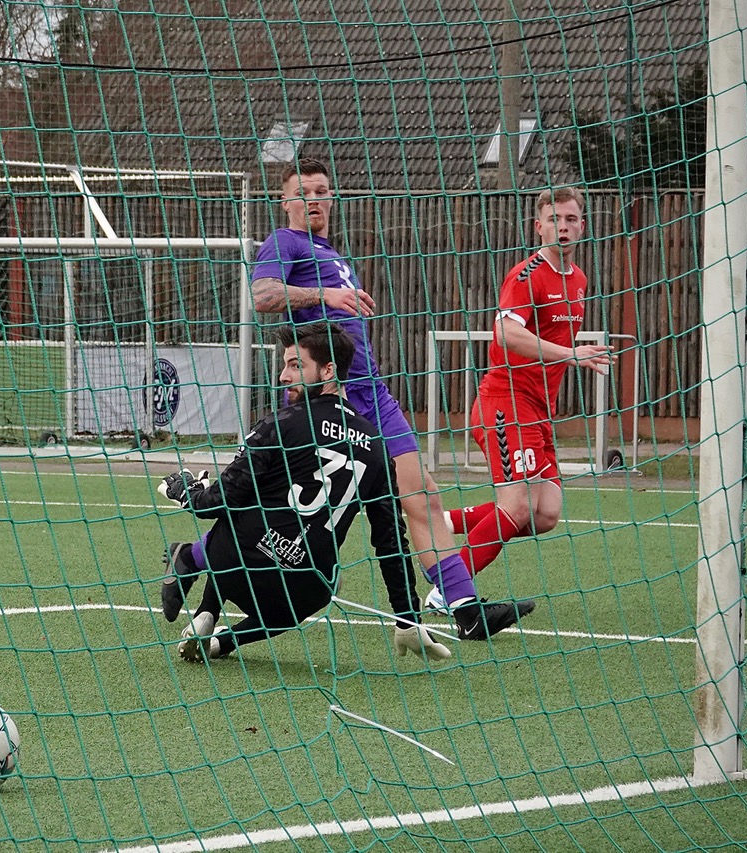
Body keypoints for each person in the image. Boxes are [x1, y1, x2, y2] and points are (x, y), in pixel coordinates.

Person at [165, 157, 533, 643]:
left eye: (322, 190)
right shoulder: (285, 242)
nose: (314, 199)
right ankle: (204, 578)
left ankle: (463, 606)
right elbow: (263, 294)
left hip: (370, 393)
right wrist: (328, 296)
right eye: (304, 191)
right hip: (322, 398)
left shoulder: (332, 252)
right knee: (284, 511)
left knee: (420, 491)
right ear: (286, 201)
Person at [157, 322, 450, 663]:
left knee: (246, 504)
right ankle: (224, 640)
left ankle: (203, 595)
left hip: (236, 567)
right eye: (285, 365)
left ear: (329, 370)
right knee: (330, 583)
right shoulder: (377, 446)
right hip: (300, 590)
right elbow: (389, 542)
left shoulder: (280, 422)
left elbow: (217, 502)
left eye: (296, 365)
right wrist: (406, 617)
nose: (283, 376)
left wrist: (186, 491)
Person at [427, 186, 616, 612]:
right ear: (538, 226)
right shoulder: (526, 275)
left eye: (569, 220)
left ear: (582, 226)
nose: (562, 227)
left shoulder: (579, 279)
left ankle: (442, 522)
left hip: (536, 410)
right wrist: (572, 354)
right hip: (504, 403)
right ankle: (448, 589)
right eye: (554, 220)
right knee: (518, 504)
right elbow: (504, 332)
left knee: (546, 513)